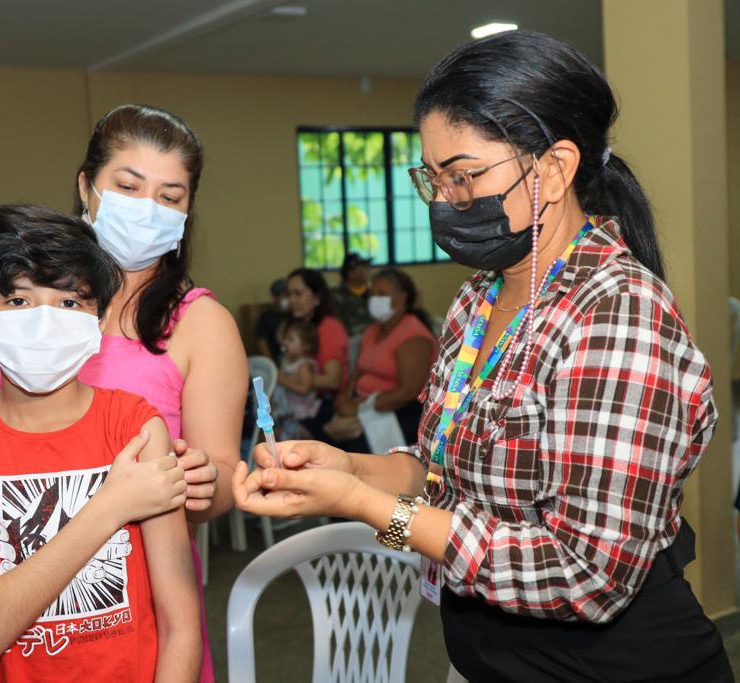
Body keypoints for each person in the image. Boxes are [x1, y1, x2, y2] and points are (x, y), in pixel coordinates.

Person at [233, 31, 731, 682]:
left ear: (553, 168)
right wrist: (346, 467)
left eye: (464, 176)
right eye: (433, 179)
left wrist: (364, 504)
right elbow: (449, 476)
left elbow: (586, 572)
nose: (446, 202)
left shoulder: (617, 312)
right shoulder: (478, 300)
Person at [0, 104, 248, 682]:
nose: (146, 209)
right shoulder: (15, 303)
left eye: (170, 196)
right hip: (10, 580)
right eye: (128, 187)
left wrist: (201, 481)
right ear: (87, 186)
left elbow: (224, 477)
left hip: (137, 605)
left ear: (187, 212)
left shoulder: (201, 324)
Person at [0, 205, 200, 681]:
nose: (43, 322)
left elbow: (181, 624)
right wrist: (109, 506)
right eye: (17, 302)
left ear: (98, 320)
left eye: (69, 302)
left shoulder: (136, 427)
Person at [334, 268, 438, 445]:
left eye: (381, 294)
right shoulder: (372, 330)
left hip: (398, 411)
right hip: (363, 403)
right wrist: (343, 399)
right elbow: (359, 371)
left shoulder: (414, 336)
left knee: (348, 445)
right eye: (372, 294)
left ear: (402, 298)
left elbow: (408, 391)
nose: (374, 299)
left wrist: (359, 409)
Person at [284, 268, 349, 442]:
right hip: (296, 400)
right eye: (289, 294)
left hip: (324, 404)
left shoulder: (329, 328)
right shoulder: (295, 327)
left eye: (298, 294)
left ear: (317, 297)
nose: (292, 300)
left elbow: (332, 380)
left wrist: (286, 379)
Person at [331, 252, 372, 337]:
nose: (367, 271)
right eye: (362, 267)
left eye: (367, 267)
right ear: (349, 272)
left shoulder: (374, 294)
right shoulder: (335, 296)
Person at [254, 277, 288, 363]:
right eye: (278, 294)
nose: (283, 298)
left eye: (286, 294)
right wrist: (271, 362)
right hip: (277, 360)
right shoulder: (267, 317)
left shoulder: (295, 314)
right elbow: (261, 342)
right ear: (274, 296)